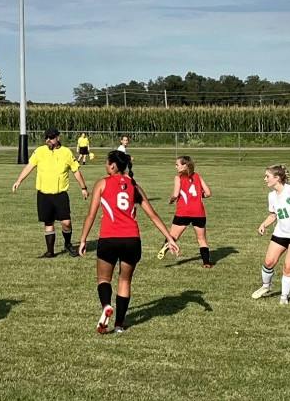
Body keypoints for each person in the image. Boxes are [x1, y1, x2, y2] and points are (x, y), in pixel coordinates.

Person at [80, 152, 173, 334]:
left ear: (113, 166)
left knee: (103, 279)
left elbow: (91, 215)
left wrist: (83, 239)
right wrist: (169, 238)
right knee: (125, 280)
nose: (106, 166)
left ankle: (106, 306)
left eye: (107, 163)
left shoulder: (102, 183)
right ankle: (119, 325)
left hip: (109, 238)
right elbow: (153, 215)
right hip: (132, 239)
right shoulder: (134, 185)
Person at [11, 127, 88, 257]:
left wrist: (83, 188)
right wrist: (19, 181)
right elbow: (29, 166)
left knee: (66, 222)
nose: (48, 140)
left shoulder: (66, 152)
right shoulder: (39, 151)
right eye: (46, 137)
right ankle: (50, 251)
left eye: (51, 137)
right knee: (48, 222)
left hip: (60, 194)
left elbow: (76, 171)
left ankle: (67, 244)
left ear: (58, 138)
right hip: (44, 194)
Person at [252, 163, 290, 307]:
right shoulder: (271, 196)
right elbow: (273, 215)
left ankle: (284, 297)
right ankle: (266, 286)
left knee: (288, 265)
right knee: (269, 262)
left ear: (277, 178)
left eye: (267, 176)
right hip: (281, 232)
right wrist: (263, 224)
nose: (265, 179)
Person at [163, 155, 213, 265]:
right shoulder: (197, 176)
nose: (176, 167)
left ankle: (164, 249)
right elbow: (208, 193)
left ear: (185, 165)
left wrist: (171, 200)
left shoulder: (178, 177)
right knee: (201, 239)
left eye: (177, 165)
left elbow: (175, 194)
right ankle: (206, 263)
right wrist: (197, 196)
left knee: (173, 236)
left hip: (183, 212)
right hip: (199, 213)